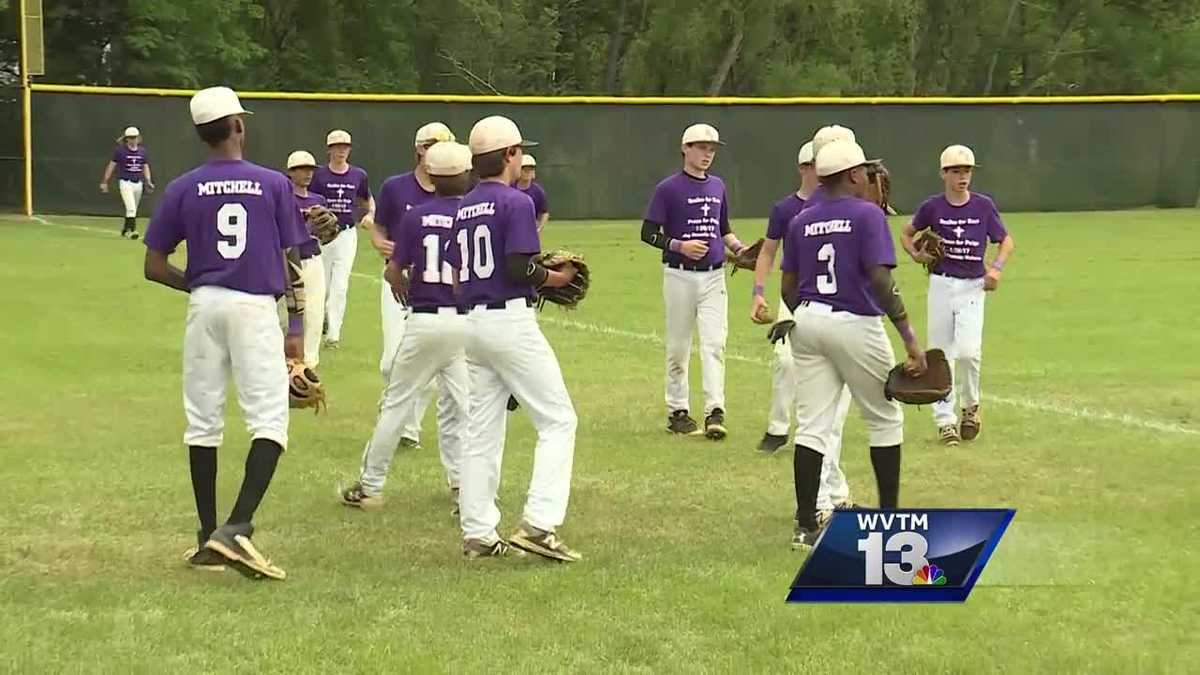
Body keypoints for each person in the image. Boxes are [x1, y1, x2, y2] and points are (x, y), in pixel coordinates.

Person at [142, 86, 311, 580]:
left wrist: (196, 284)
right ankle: (235, 529)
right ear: (238, 126)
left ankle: (206, 537)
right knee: (270, 421)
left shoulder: (182, 187)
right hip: (255, 307)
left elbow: (154, 266)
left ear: (200, 134)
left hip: (204, 305)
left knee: (202, 422)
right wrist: (296, 328)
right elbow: (293, 260)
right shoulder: (272, 183)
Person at [446, 115, 581, 561]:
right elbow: (519, 268)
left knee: (481, 431)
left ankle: (478, 533)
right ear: (508, 156)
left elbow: (456, 272)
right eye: (519, 151)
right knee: (559, 420)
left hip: (473, 322)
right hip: (509, 322)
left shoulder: (464, 205)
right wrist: (553, 278)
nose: (521, 158)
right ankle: (540, 526)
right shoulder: (516, 202)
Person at [781, 138, 927, 549]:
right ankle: (890, 522)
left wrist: (808, 319)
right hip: (854, 321)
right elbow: (881, 281)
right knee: (884, 417)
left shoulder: (801, 219)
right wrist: (910, 340)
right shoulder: (866, 215)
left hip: (806, 320)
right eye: (863, 170)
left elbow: (788, 286)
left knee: (812, 426)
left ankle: (806, 527)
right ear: (852, 175)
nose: (868, 176)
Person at [341, 141, 472, 511]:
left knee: (396, 404)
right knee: (464, 409)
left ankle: (370, 488)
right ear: (466, 176)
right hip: (466, 324)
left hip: (425, 321)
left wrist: (400, 286)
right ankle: (465, 488)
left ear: (430, 174)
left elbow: (393, 271)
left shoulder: (415, 216)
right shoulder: (476, 215)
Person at [640, 123, 754, 440]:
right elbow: (648, 233)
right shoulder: (668, 189)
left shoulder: (718, 186)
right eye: (701, 147)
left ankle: (715, 411)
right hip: (679, 275)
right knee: (678, 347)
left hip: (714, 276)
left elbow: (724, 228)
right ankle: (678, 410)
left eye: (712, 148)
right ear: (685, 149)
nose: (707, 154)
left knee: (715, 344)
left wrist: (740, 250)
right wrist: (679, 245)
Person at [901, 144, 1015, 445]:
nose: (963, 176)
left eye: (966, 171)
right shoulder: (932, 207)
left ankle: (970, 408)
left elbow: (1005, 241)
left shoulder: (983, 206)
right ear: (944, 174)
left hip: (973, 286)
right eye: (956, 171)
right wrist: (915, 254)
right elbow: (906, 232)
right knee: (939, 354)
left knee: (968, 352)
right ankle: (945, 421)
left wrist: (997, 269)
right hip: (941, 284)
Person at [371, 122, 456, 449]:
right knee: (391, 360)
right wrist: (380, 243)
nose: (438, 149)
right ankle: (393, 407)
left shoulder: (456, 189)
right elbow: (378, 227)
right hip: (399, 282)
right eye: (433, 144)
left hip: (438, 287)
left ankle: (408, 428)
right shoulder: (396, 187)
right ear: (419, 148)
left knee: (432, 366)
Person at [750, 141, 818, 453]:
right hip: (793, 296)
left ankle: (813, 431)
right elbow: (767, 252)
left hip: (830, 296)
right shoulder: (785, 209)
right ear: (803, 168)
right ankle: (778, 429)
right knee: (785, 362)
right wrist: (758, 293)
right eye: (814, 165)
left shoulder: (839, 206)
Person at [310, 129, 374, 349]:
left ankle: (333, 336)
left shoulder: (358, 175)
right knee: (323, 286)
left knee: (340, 286)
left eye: (345, 146)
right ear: (329, 149)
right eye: (337, 147)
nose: (341, 151)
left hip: (346, 233)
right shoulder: (319, 175)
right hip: (323, 236)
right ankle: (322, 322)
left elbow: (366, 199)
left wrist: (369, 214)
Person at [285, 150, 328, 369]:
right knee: (289, 312)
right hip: (290, 262)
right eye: (302, 169)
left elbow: (326, 234)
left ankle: (310, 362)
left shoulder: (318, 199)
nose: (307, 174)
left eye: (310, 169)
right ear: (291, 172)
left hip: (313, 259)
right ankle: (288, 360)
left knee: (315, 311)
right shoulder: (285, 199)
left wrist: (330, 230)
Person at [100, 126, 154, 239]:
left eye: (135, 137)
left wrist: (148, 180)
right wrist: (105, 181)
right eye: (131, 138)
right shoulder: (120, 151)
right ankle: (132, 231)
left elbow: (145, 166)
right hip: (125, 183)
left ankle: (125, 229)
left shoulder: (142, 151)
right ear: (126, 139)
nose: (133, 140)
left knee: (133, 208)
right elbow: (111, 166)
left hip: (138, 183)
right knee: (131, 208)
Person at [516, 154, 549, 232]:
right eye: (524, 169)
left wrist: (539, 228)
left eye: (530, 169)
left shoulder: (538, 191)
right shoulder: (510, 189)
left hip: (531, 230)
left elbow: (544, 212)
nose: (527, 172)